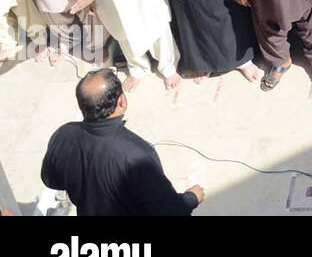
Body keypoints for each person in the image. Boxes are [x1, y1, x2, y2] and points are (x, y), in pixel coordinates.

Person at [40, 68, 204, 216]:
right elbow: (169, 211)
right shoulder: (138, 155)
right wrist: (192, 197)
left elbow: (50, 179)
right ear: (122, 101)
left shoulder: (63, 134)